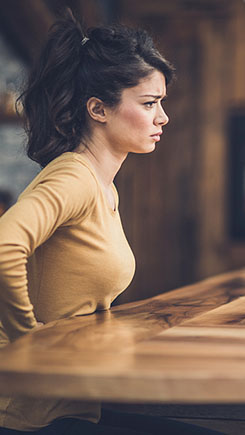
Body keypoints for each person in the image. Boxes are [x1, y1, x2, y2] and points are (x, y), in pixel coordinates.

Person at [0, 10, 222, 435]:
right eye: (149, 103)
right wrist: (27, 338)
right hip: (30, 415)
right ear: (98, 109)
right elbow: (5, 243)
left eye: (161, 103)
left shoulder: (104, 185)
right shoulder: (74, 176)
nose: (163, 118)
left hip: (73, 405)